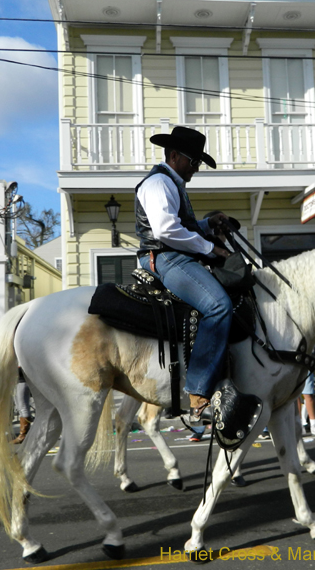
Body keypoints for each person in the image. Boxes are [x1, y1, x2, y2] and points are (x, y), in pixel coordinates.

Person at [135, 126, 231, 420]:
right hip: (164, 258)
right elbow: (165, 230)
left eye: (199, 163)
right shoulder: (159, 183)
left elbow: (180, 227)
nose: (196, 168)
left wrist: (206, 223)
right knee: (218, 306)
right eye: (194, 161)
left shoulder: (171, 183)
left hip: (173, 253)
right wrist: (209, 248)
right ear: (174, 155)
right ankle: (199, 390)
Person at [12, 368, 32, 445]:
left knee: (23, 407)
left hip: (22, 380)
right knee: (20, 408)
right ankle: (23, 434)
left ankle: (23, 434)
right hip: (16, 380)